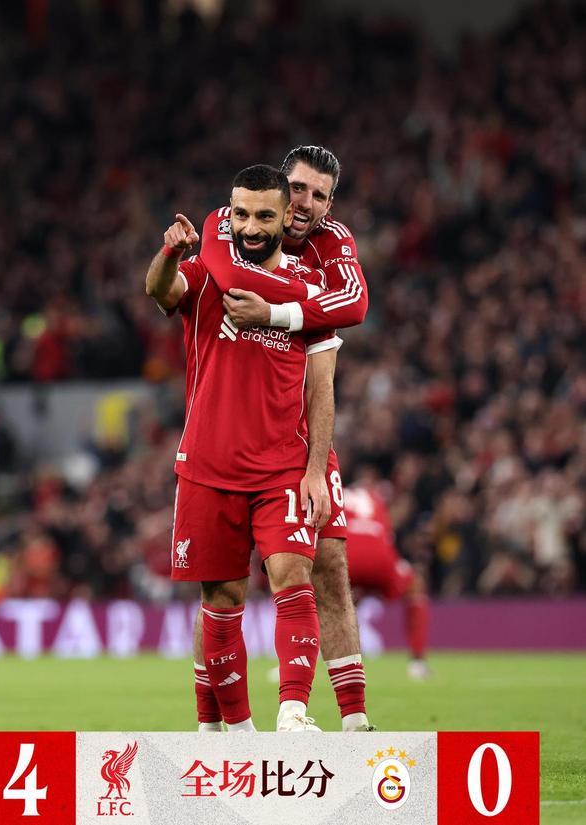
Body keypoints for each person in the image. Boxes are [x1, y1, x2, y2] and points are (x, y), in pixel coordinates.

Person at [145, 165, 342, 732]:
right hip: (208, 467)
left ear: (286, 217)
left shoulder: (309, 292)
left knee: (293, 576)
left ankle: (294, 713)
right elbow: (159, 290)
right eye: (240, 215)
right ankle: (238, 731)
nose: (250, 227)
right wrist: (169, 253)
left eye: (263, 216)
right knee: (223, 598)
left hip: (282, 467)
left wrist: (315, 470)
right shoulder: (208, 273)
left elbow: (321, 390)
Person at [195, 146, 373, 731]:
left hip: (301, 439)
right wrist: (314, 304)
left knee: (331, 563)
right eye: (298, 188)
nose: (305, 204)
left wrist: (279, 314)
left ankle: (353, 719)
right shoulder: (230, 223)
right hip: (232, 439)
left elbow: (356, 306)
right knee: (221, 585)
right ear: (279, 186)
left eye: (320, 195)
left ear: (330, 204)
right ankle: (214, 723)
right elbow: (225, 278)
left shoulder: (332, 243)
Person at [343, 482, 431, 679]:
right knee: (415, 586)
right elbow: (387, 536)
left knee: (312, 595)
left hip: (347, 556)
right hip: (380, 558)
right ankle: (417, 662)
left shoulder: (334, 494)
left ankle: (297, 660)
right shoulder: (376, 500)